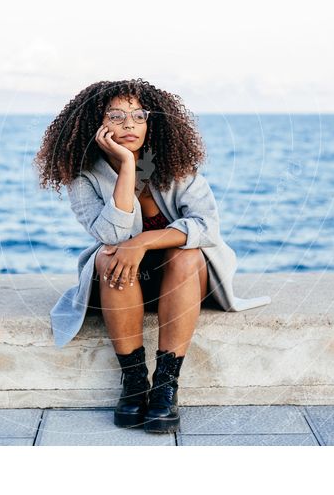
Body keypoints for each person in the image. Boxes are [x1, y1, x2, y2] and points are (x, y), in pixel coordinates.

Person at [34, 78, 271, 433]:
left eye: (138, 115)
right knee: (108, 256)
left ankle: (164, 387)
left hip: (180, 280)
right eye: (116, 116)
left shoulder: (174, 164)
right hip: (122, 284)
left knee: (186, 255)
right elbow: (112, 236)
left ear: (151, 121)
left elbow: (207, 226)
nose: (129, 124)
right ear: (95, 124)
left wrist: (143, 242)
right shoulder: (82, 174)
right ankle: (133, 384)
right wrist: (127, 167)